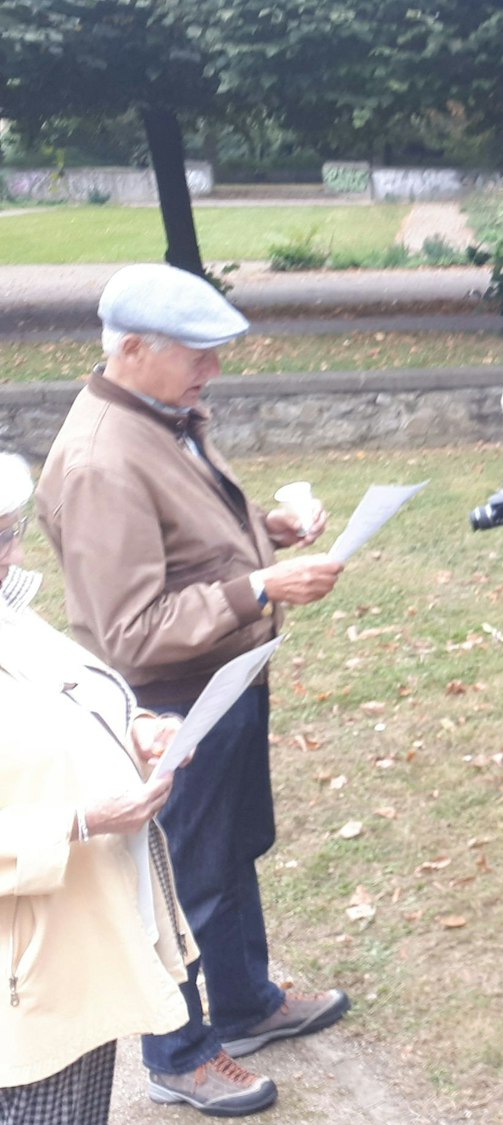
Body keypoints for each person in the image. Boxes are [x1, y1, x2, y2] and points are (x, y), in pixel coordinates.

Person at [37, 264, 349, 1114]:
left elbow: (181, 537)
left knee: (233, 844)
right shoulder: (102, 458)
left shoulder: (165, 414)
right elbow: (132, 626)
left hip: (225, 675)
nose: (212, 370)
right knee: (178, 877)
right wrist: (262, 587)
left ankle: (245, 1001)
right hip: (166, 702)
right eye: (197, 354)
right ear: (132, 349)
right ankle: (178, 1054)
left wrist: (262, 530)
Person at [0, 452, 207, 1123]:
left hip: (78, 940)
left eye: (7, 532)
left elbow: (76, 700)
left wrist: (142, 728)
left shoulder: (15, 621)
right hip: (25, 977)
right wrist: (79, 821)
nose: (5, 555)